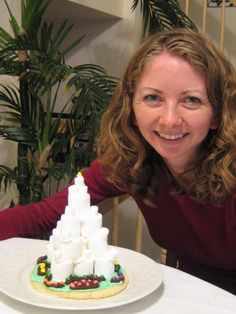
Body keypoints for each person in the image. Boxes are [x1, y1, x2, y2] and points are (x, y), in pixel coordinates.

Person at [0, 28, 236, 294]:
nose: (170, 119)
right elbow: (44, 214)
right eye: (153, 98)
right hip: (192, 293)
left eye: (191, 100)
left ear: (217, 114)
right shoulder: (131, 161)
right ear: (132, 109)